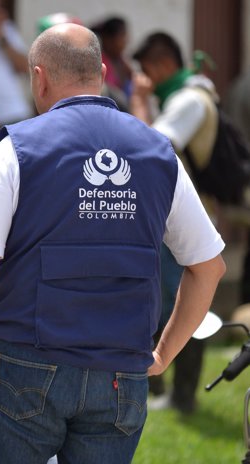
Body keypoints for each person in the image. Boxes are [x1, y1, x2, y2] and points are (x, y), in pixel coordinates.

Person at [0, 24, 226, 463]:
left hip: (26, 361)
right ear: (101, 71)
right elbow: (209, 267)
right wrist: (162, 354)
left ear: (38, 77)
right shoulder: (159, 153)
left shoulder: (16, 149)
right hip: (121, 372)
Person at [130, 32, 219, 413]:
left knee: (186, 300)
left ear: (164, 64)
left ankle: (183, 396)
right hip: (175, 217)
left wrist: (137, 100)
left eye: (148, 69)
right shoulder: (182, 97)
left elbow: (149, 148)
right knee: (167, 299)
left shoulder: (186, 101)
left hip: (187, 222)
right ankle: (168, 389)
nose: (146, 77)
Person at [92, 16, 133, 111]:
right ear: (108, 40)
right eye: (122, 36)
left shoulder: (122, 62)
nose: (126, 41)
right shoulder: (101, 63)